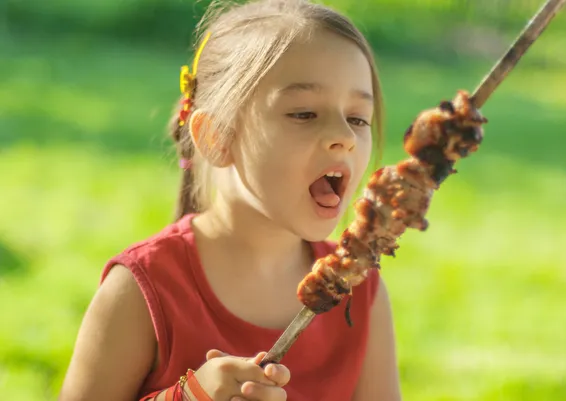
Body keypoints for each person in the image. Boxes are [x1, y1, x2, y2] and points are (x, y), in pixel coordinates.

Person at [58, 0, 401, 400]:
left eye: (358, 118)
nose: (343, 134)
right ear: (217, 137)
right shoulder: (142, 289)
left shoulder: (358, 292)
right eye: (305, 113)